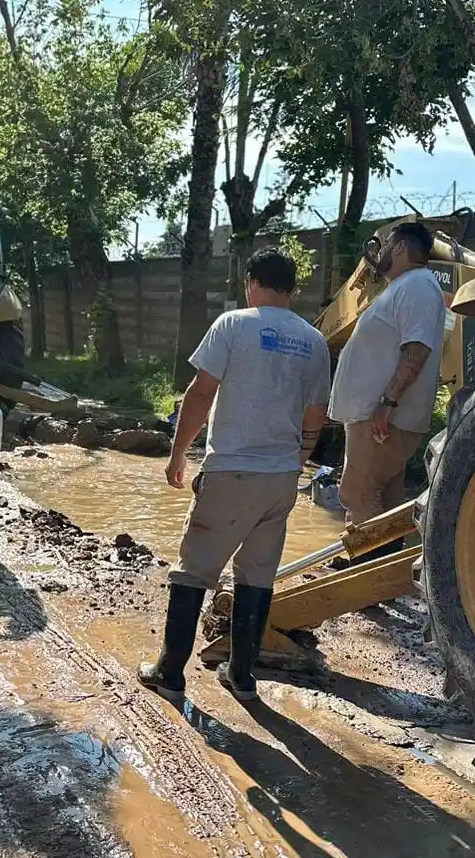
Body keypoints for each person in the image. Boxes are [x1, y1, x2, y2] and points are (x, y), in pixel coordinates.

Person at [138, 247, 331, 703]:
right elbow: (317, 411)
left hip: (232, 471)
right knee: (257, 574)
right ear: (293, 289)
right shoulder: (314, 341)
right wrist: (300, 457)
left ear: (251, 282)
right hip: (281, 475)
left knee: (192, 571)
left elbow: (201, 392)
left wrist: (177, 455)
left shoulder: (233, 324)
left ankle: (169, 671)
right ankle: (242, 676)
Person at [328, 220, 448, 559]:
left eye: (383, 246)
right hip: (381, 416)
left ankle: (364, 579)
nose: (378, 254)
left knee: (359, 493)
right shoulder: (408, 287)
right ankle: (384, 573)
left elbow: (417, 348)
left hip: (380, 418)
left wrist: (387, 401)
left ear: (399, 248)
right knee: (386, 498)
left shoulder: (417, 286)